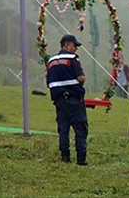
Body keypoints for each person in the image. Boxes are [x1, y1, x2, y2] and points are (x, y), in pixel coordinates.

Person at [46, 34, 88, 165]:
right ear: (67, 45)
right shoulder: (72, 58)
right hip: (74, 99)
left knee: (63, 129)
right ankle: (81, 159)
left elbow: (48, 82)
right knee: (80, 128)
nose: (76, 48)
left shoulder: (51, 61)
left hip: (59, 100)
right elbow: (81, 78)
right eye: (75, 45)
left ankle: (65, 157)